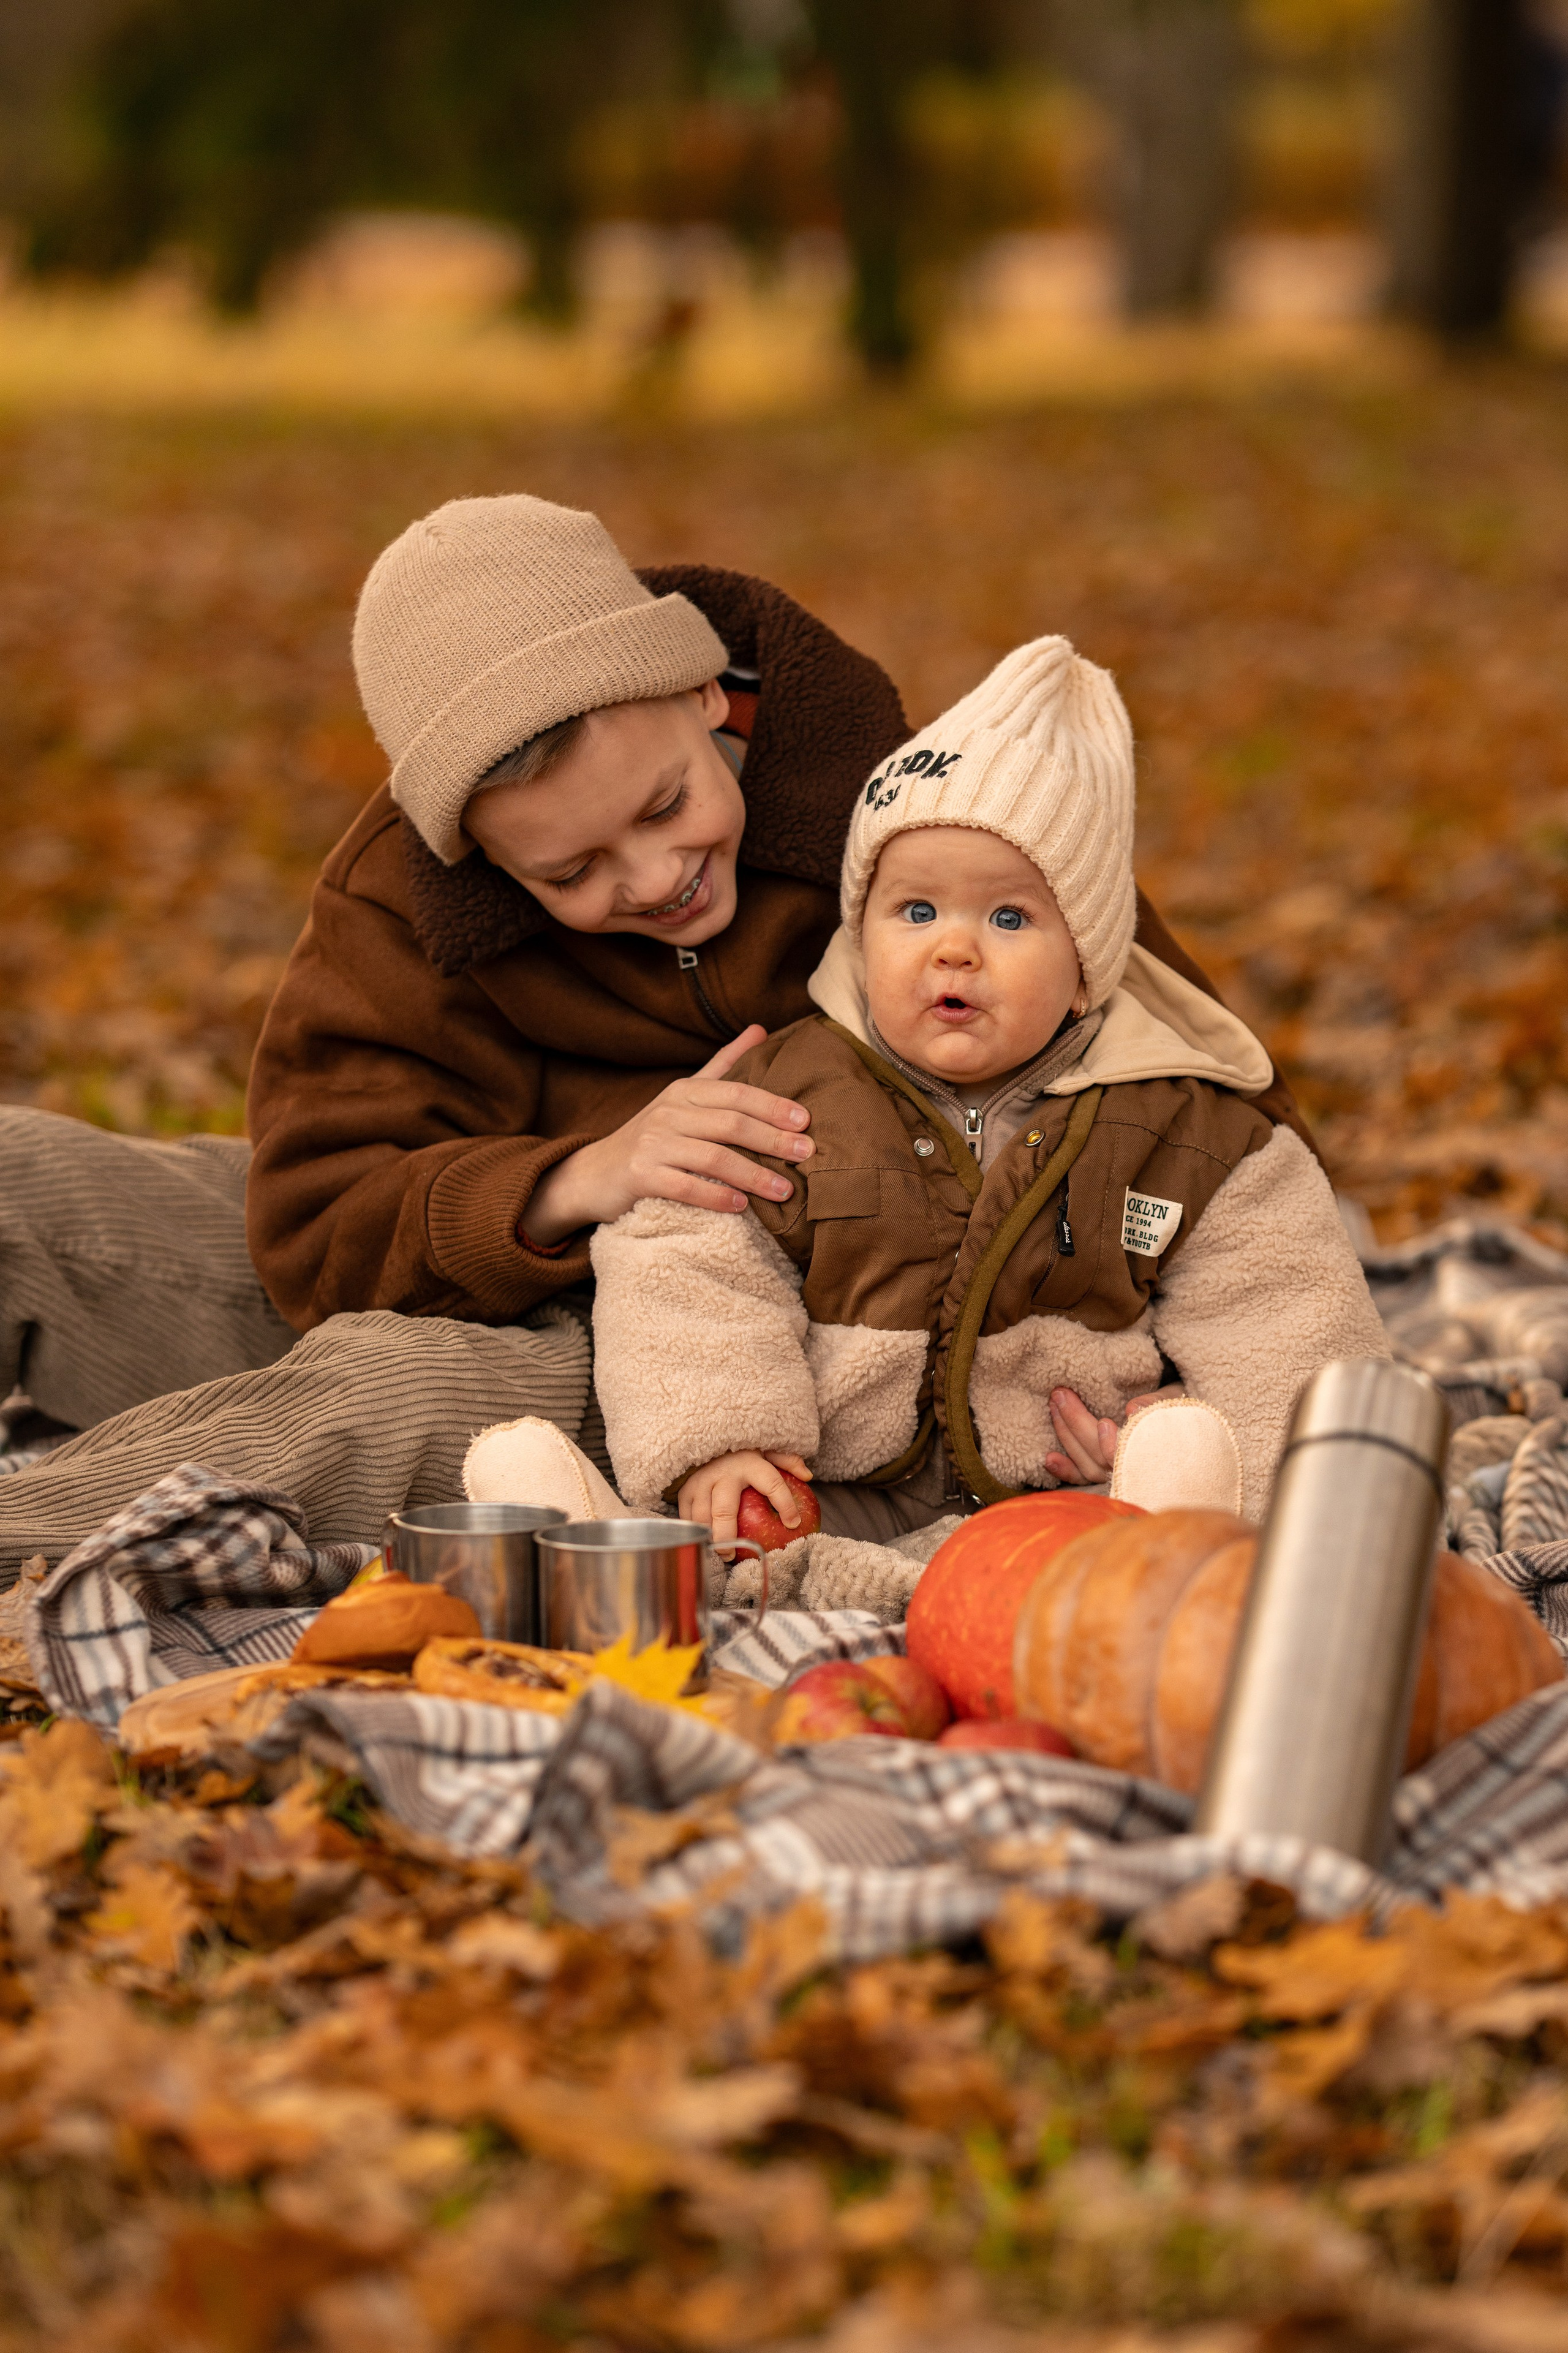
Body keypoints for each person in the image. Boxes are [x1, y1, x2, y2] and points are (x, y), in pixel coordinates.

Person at [0, 496, 1311, 1573]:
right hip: (478, 1244)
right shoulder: (403, 900)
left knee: (368, 1392)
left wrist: (1162, 1396)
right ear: (474, 856)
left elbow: (1198, 1103)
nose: (647, 879)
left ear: (700, 692)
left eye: (667, 805)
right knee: (22, 1186)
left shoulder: (926, 811)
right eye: (566, 873)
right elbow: (309, 1221)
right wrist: (578, 1177)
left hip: (712, 1350)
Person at [589, 636, 1389, 1555]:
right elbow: (687, 1258)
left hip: (1070, 1491)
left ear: (1088, 966)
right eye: (916, 911)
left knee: (1164, 1529)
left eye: (1009, 918)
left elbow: (1286, 1317)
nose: (954, 949)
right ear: (861, 930)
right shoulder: (791, 1094)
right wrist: (724, 1442)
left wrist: (1204, 1438)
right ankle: (604, 1528)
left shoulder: (1190, 1132)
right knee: (730, 1549)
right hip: (841, 1487)